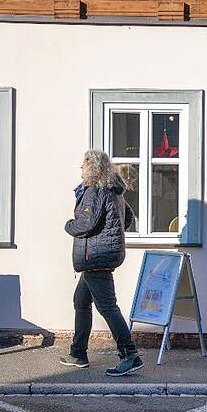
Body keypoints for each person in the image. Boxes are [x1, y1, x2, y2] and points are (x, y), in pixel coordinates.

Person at [60, 149, 143, 376]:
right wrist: (111, 235)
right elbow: (128, 218)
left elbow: (86, 223)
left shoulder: (95, 190)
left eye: (84, 163)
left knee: (107, 306)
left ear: (93, 167)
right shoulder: (114, 190)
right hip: (101, 255)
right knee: (81, 301)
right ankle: (78, 353)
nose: (81, 167)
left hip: (95, 256)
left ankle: (130, 354)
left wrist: (69, 225)